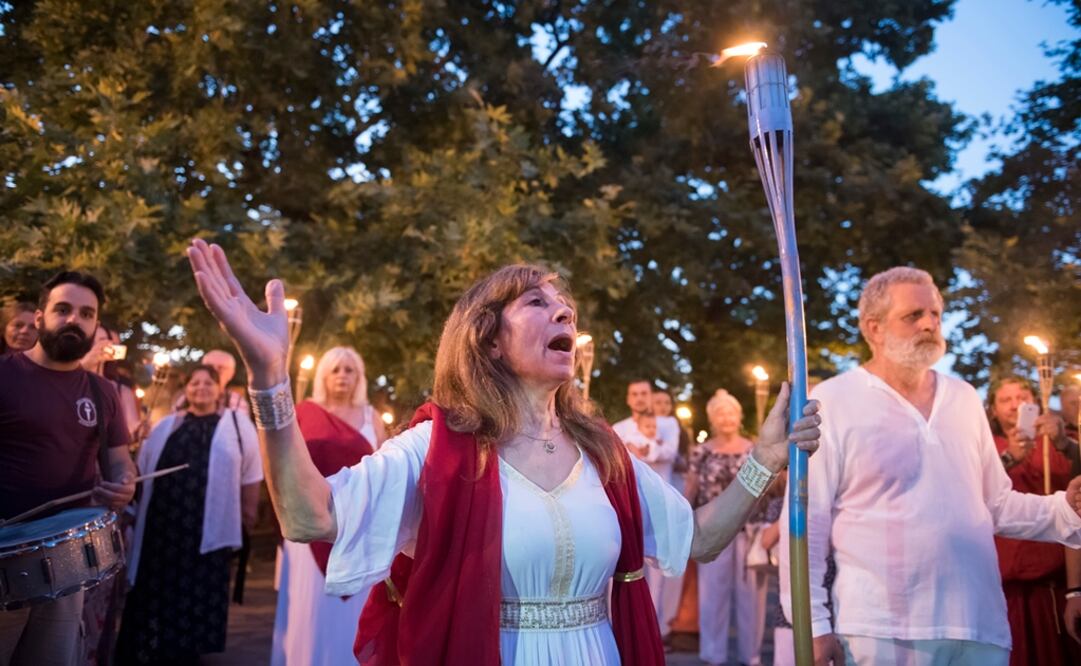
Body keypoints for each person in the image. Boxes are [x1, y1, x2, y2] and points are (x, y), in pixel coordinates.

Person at [185, 239, 821, 665]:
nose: (564, 311)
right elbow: (308, 518)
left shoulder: (605, 452)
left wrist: (766, 457)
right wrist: (270, 379)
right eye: (538, 303)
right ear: (487, 340)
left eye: (565, 306)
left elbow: (700, 538)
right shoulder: (439, 448)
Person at [780, 266, 1081, 665]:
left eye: (935, 314)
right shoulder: (833, 400)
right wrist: (814, 626)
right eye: (914, 316)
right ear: (873, 328)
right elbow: (806, 521)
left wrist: (1066, 508)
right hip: (881, 630)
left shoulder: (964, 398)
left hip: (979, 625)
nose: (930, 324)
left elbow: (995, 505)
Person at [0, 271, 136, 666]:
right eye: (63, 309)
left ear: (96, 326)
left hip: (67, 564)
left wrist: (124, 486)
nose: (74, 320)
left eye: (86, 313)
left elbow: (120, 464)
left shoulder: (103, 392)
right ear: (40, 317)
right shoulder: (4, 376)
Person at [116, 365, 263, 665]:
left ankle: (188, 654)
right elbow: (142, 469)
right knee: (155, 592)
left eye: (208, 382)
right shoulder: (166, 424)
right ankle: (149, 648)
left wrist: (249, 516)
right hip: (163, 528)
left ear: (219, 389)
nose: (201, 388)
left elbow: (252, 472)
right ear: (186, 390)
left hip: (206, 531)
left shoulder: (236, 423)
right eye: (194, 383)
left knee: (196, 596)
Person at [272, 346, 385, 666]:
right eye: (335, 369)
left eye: (350, 370)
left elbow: (384, 470)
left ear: (359, 377)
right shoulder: (303, 413)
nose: (342, 376)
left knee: (354, 614)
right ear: (323, 374)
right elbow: (282, 465)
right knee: (310, 608)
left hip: (358, 527)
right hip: (308, 525)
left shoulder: (371, 417)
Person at [986, 377, 1081, 666]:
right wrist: (1010, 458)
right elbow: (969, 487)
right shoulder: (988, 448)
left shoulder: (1057, 445)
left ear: (1036, 402)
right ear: (993, 410)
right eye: (1006, 399)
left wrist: (1064, 443)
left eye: (1022, 396)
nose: (1016, 405)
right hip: (1005, 592)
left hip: (1056, 587)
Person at [686, 389, 775, 666]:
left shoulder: (753, 449)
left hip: (750, 530)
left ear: (739, 416)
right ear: (712, 418)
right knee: (713, 596)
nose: (726, 417)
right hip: (712, 531)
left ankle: (752, 656)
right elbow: (690, 489)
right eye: (720, 413)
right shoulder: (701, 451)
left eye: (731, 412)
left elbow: (768, 486)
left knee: (753, 598)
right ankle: (713, 655)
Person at [612, 379, 683, 638]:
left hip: (661, 506)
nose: (640, 398)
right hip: (630, 504)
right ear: (629, 399)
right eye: (635, 394)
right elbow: (615, 461)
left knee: (660, 570)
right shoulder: (618, 428)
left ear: (651, 397)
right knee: (628, 565)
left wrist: (640, 449)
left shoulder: (668, 424)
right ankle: (628, 626)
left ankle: (656, 629)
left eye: (644, 393)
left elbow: (671, 453)